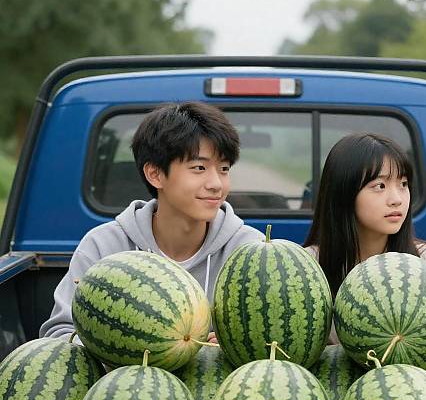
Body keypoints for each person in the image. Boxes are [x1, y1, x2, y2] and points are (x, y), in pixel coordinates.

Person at [40, 101, 263, 341]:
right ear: (155, 174)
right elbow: (59, 334)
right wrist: (120, 345)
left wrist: (234, 348)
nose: (216, 184)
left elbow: (271, 344)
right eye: (199, 167)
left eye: (224, 169)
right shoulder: (105, 246)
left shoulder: (250, 251)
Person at [304, 133, 426, 355]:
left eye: (403, 184)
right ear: (344, 193)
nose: (397, 199)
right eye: (380, 186)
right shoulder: (308, 266)